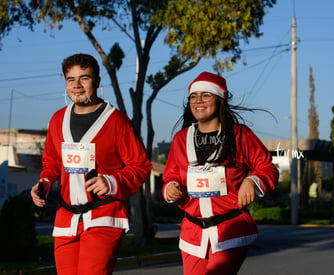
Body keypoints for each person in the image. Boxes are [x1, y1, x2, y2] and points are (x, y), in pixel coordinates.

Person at [30, 53, 152, 274]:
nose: (77, 85)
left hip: (103, 215)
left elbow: (140, 165)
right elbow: (52, 162)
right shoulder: (58, 119)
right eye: (71, 79)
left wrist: (112, 182)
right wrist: (45, 182)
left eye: (84, 78)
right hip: (66, 217)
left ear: (97, 82)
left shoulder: (116, 121)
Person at [162, 71, 279, 275]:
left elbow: (267, 168)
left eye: (206, 95)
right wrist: (170, 187)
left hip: (230, 229)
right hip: (193, 233)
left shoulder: (240, 135)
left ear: (220, 100)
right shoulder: (181, 139)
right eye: (193, 96)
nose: (199, 101)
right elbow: (171, 176)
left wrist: (252, 181)